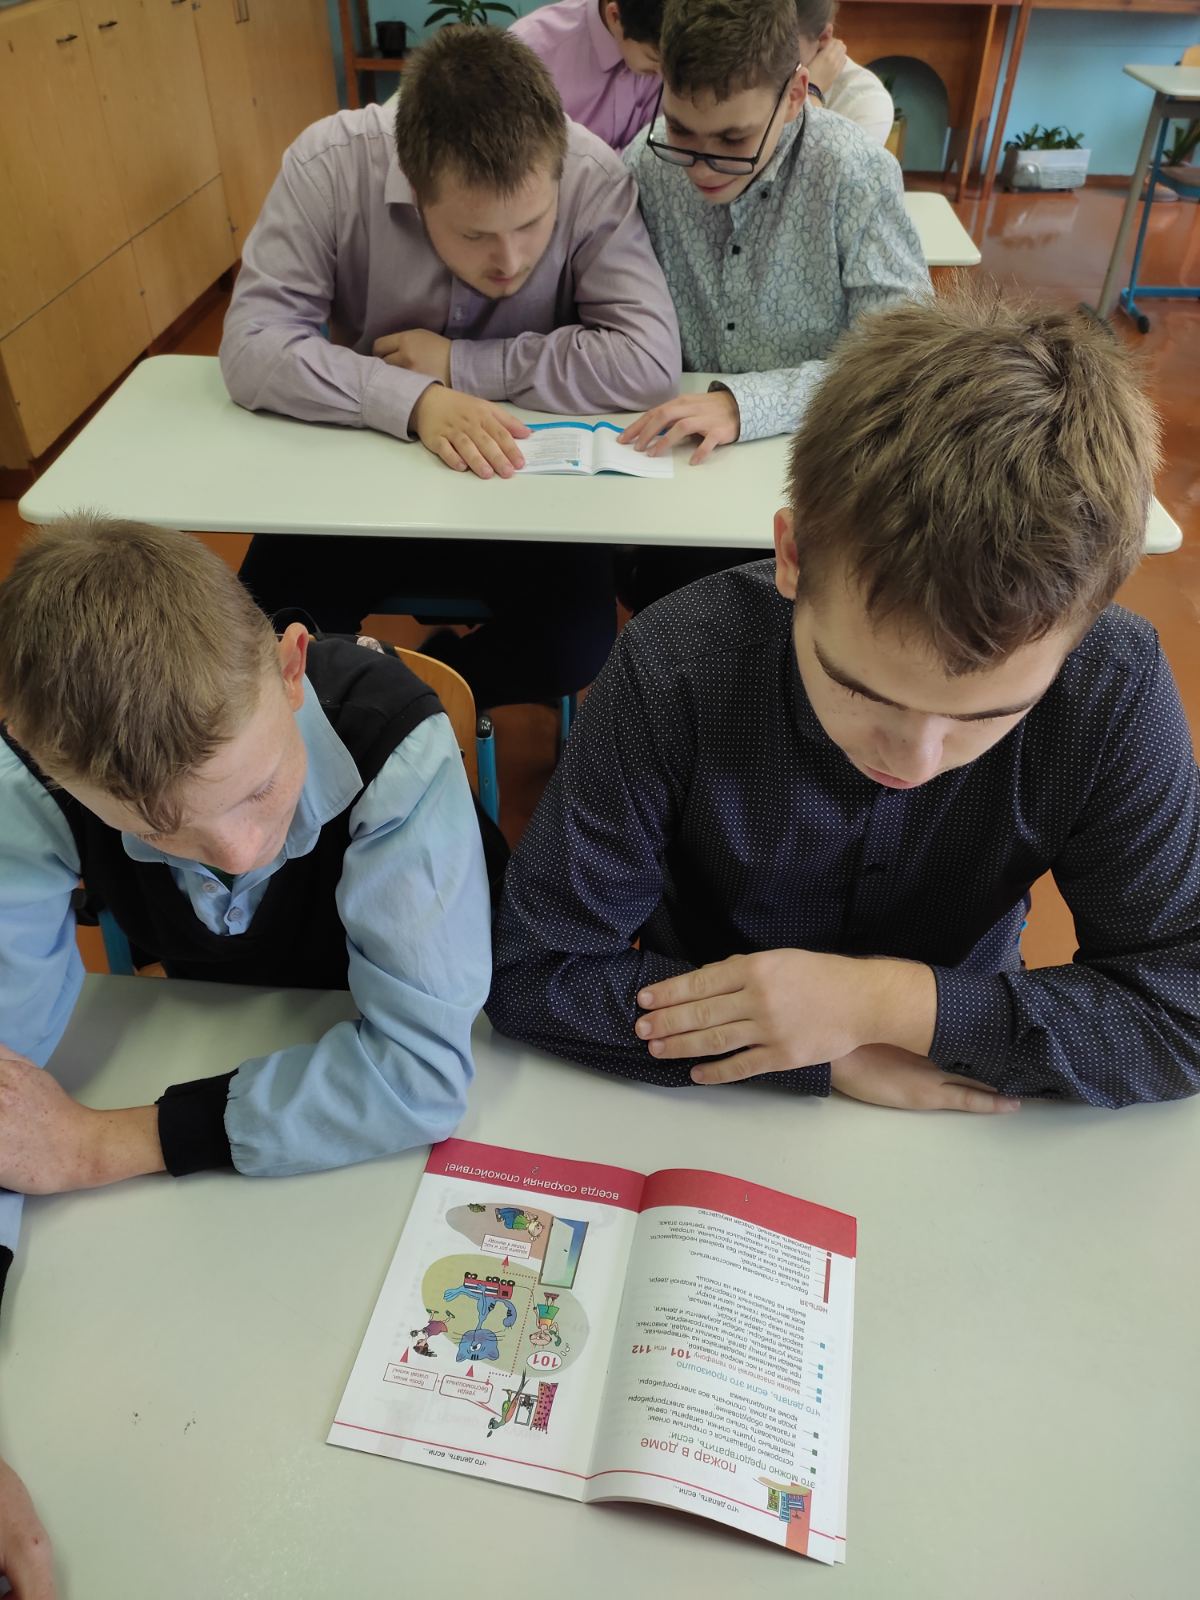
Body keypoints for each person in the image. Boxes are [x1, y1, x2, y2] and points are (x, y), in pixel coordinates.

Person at [486, 294, 1200, 1116]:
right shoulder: (676, 665)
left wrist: (888, 1008)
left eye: (986, 717)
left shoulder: (1111, 685)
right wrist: (817, 1054)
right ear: (793, 557)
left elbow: (1181, 1009)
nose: (914, 760)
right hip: (720, 1103)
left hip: (955, 1084)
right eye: (861, 689)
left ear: (1081, 627)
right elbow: (536, 972)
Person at [221, 26, 681, 708]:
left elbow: (647, 357)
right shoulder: (329, 164)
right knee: (261, 632)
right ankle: (389, 710)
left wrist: (464, 365)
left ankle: (418, 702)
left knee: (576, 643)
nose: (510, 261)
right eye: (474, 234)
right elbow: (252, 342)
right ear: (414, 185)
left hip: (528, 491)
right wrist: (415, 400)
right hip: (361, 480)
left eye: (533, 224)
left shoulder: (591, 173)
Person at [614, 0, 928, 607]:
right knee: (661, 595)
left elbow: (901, 360)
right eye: (681, 129)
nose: (702, 164)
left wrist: (744, 405)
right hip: (678, 475)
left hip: (811, 474)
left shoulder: (853, 172)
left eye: (733, 138)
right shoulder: (646, 165)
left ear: (795, 95)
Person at [510, 0, 664, 152]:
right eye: (654, 59)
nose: (665, 75)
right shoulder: (529, 53)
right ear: (615, 17)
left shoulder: (662, 43)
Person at [800, 2, 895, 147]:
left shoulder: (867, 99)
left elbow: (808, 160)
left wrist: (811, 93)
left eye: (781, 43)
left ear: (823, 37)